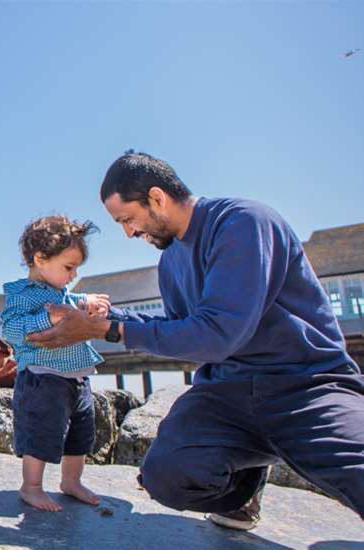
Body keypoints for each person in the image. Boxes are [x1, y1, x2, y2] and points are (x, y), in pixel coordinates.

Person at [27, 150, 364, 529]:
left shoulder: (243, 223)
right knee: (165, 476)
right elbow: (180, 330)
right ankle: (243, 484)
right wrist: (102, 318)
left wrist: (107, 331)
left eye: (127, 219)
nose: (128, 232)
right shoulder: (170, 261)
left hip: (305, 385)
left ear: (157, 198)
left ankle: (284, 448)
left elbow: (216, 335)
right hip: (227, 394)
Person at [1, 215, 111, 511]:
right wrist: (47, 318)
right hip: (42, 378)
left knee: (81, 435)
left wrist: (87, 301)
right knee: (42, 432)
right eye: (69, 267)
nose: (73, 274)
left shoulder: (61, 293)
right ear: (40, 258)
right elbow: (11, 329)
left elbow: (69, 300)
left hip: (77, 378)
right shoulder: (22, 295)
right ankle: (31, 486)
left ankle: (71, 482)